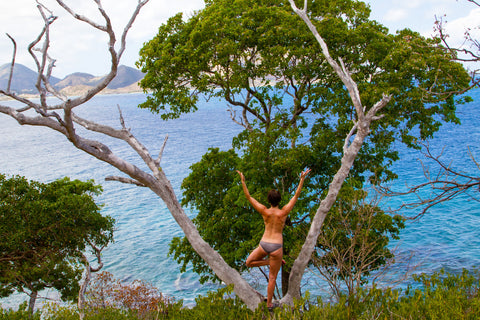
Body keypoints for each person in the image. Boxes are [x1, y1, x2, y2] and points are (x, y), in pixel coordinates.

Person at [237, 169, 311, 308]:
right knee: (272, 278)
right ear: (279, 200)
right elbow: (296, 195)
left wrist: (243, 181)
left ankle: (268, 263)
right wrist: (301, 179)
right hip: (277, 247)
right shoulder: (283, 213)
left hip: (264, 244)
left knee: (248, 262)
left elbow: (248, 197)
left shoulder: (264, 211)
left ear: (268, 200)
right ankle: (269, 304)